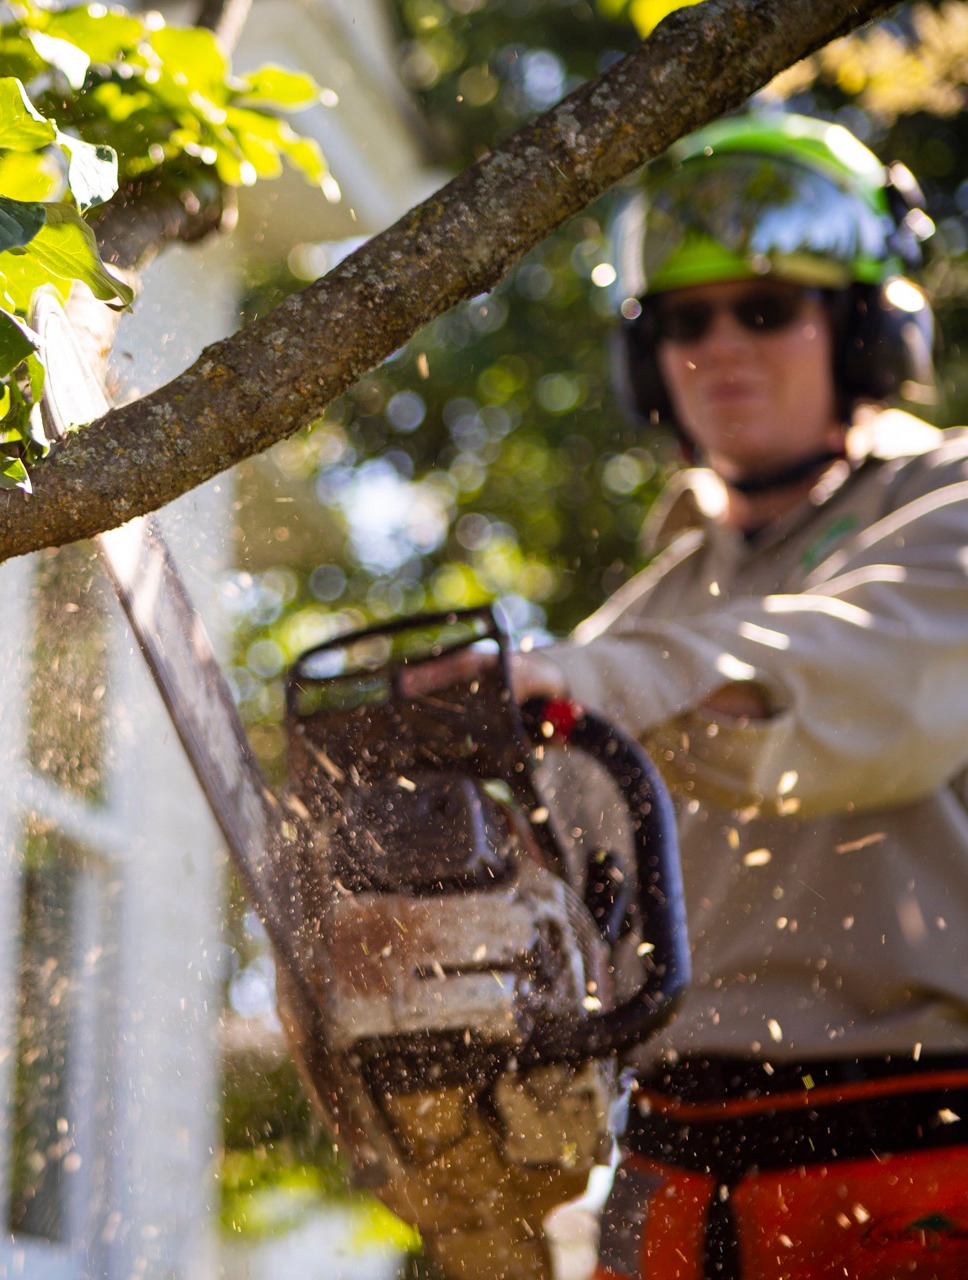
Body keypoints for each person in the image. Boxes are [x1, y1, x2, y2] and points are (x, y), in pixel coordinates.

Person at [413, 111, 968, 1277]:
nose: (720, 345)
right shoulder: (644, 613)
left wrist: (579, 681)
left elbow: (863, 672)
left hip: (916, 1157)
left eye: (765, 307)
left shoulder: (945, 503)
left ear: (862, 329)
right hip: (670, 1175)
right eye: (682, 320)